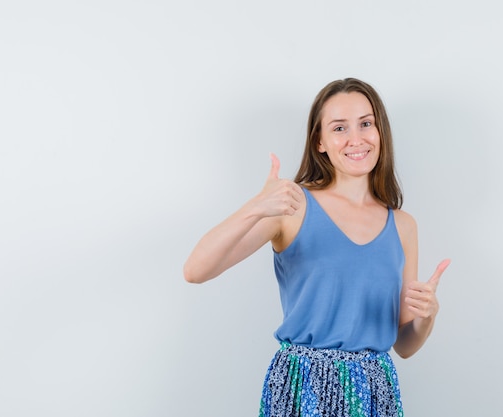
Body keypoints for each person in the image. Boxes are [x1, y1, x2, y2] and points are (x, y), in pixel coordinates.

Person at [183, 78, 450, 417]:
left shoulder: (403, 225)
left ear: (380, 131)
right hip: (301, 386)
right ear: (320, 141)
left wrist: (428, 316)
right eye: (340, 128)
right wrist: (255, 207)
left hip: (373, 391)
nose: (356, 138)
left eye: (366, 123)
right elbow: (195, 270)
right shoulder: (292, 207)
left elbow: (405, 345)